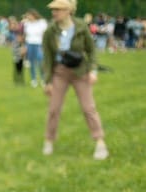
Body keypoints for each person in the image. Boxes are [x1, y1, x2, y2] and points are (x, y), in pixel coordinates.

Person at [42, 0, 109, 160]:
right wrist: (48, 81)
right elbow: (47, 58)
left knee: (88, 108)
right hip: (60, 72)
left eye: (57, 9)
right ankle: (49, 141)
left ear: (68, 10)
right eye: (53, 10)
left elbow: (91, 50)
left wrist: (93, 70)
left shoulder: (80, 26)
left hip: (80, 71)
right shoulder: (50, 31)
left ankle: (100, 143)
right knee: (53, 108)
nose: (54, 13)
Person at [24, 9, 48, 87]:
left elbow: (45, 34)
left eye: (29, 15)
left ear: (33, 15)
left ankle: (42, 78)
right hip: (29, 43)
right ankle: (33, 79)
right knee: (31, 62)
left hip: (39, 44)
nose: (28, 17)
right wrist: (25, 46)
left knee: (40, 61)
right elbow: (26, 35)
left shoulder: (42, 22)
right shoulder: (27, 24)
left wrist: (44, 46)